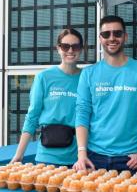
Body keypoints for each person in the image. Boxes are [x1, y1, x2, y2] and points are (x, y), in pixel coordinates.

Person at [74, 15, 137, 172]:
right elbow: (82, 113)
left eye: (117, 33)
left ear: (125, 36)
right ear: (100, 38)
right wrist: (82, 154)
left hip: (131, 159)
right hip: (94, 157)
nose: (112, 38)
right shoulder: (88, 74)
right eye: (106, 34)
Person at [11, 28, 83, 167]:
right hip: (47, 158)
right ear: (58, 48)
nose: (70, 50)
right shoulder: (44, 77)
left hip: (78, 160)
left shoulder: (87, 78)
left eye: (75, 46)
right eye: (65, 46)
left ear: (81, 49)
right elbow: (32, 116)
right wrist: (19, 155)